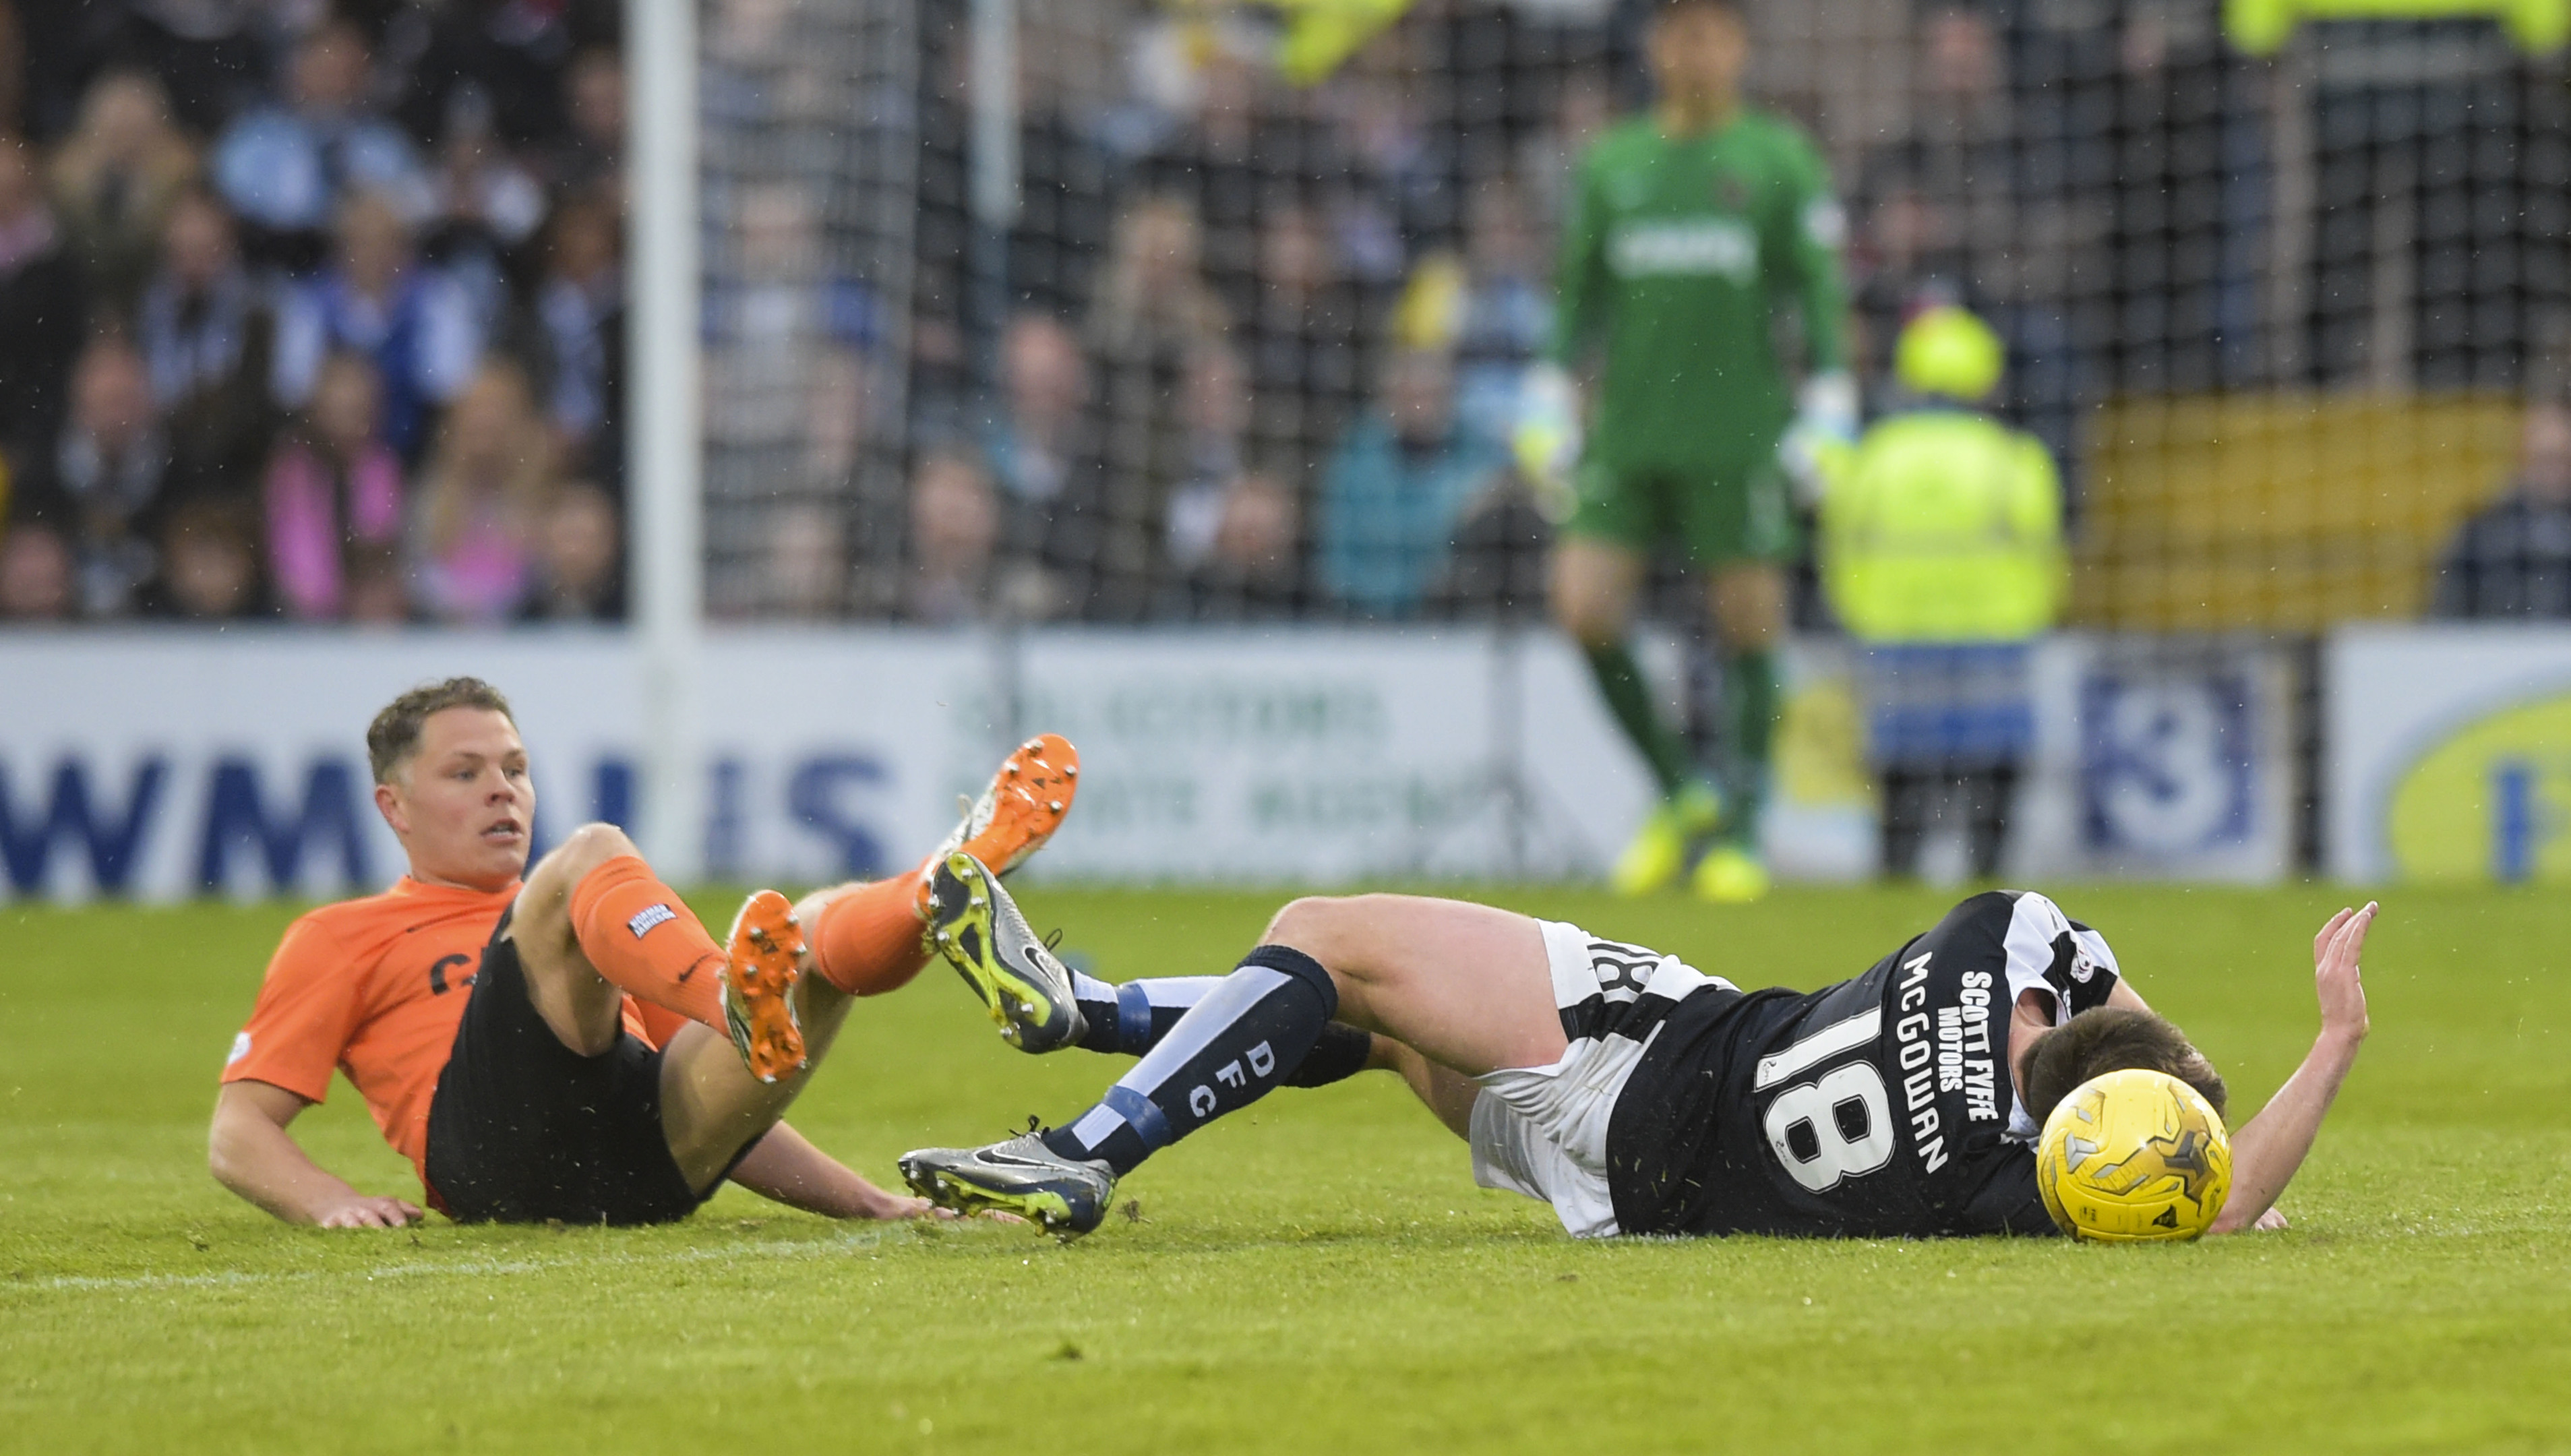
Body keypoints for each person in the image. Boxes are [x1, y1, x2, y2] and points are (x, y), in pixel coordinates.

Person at [901, 854, 2369, 1242]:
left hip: (1666, 1045)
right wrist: (2332, 1042)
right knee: (1396, 1034)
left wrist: (2171, 1073)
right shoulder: (2005, 1183)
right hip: (1645, 1196)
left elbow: (2133, 1044)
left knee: (1324, 934)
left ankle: (1085, 1121)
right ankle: (1080, 1015)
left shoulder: (1996, 933)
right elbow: (2220, 1193)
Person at [210, 675, 1083, 1227]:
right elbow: (238, 1131)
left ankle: (930, 889)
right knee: (589, 858)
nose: (501, 792)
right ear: (393, 806)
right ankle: (753, 981)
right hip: (491, 1161)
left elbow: (720, 1092)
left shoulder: (597, 925)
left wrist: (875, 1205)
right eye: (466, 772)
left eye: (515, 768)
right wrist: (331, 1202)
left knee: (819, 926)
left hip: (645, 1176)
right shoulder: (339, 935)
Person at [1526, 0, 1854, 903]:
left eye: (1712, 32)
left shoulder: (1777, 161)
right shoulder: (1612, 164)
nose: (1695, 50)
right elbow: (1577, 299)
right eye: (1678, 32)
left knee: (1750, 625)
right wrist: (1549, 392)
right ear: (1654, 47)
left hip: (1735, 432)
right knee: (1582, 608)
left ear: (1739, 47)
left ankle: (1743, 833)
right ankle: (1683, 794)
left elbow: (1817, 294)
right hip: (1627, 436)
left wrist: (1830, 400)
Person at [1819, 305, 2062, 880]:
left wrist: (1861, 614)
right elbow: (2045, 547)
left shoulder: (1873, 455)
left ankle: (1895, 876)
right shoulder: (2012, 458)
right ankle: (1990, 880)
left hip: (1895, 635)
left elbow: (1839, 546)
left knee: (1901, 771)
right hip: (1993, 636)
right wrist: (2032, 613)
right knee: (1993, 769)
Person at [1317, 348, 1507, 619]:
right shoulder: (1355, 462)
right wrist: (1414, 589)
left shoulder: (1478, 452)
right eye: (1412, 396)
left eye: (1433, 395)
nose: (1423, 407)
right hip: (1367, 622)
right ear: (1389, 400)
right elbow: (1335, 567)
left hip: (1458, 620)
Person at [2429, 400, 2571, 619]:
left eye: (2563, 460)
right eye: (2544, 460)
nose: (2554, 472)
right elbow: (2447, 616)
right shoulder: (2481, 532)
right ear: (2521, 459)